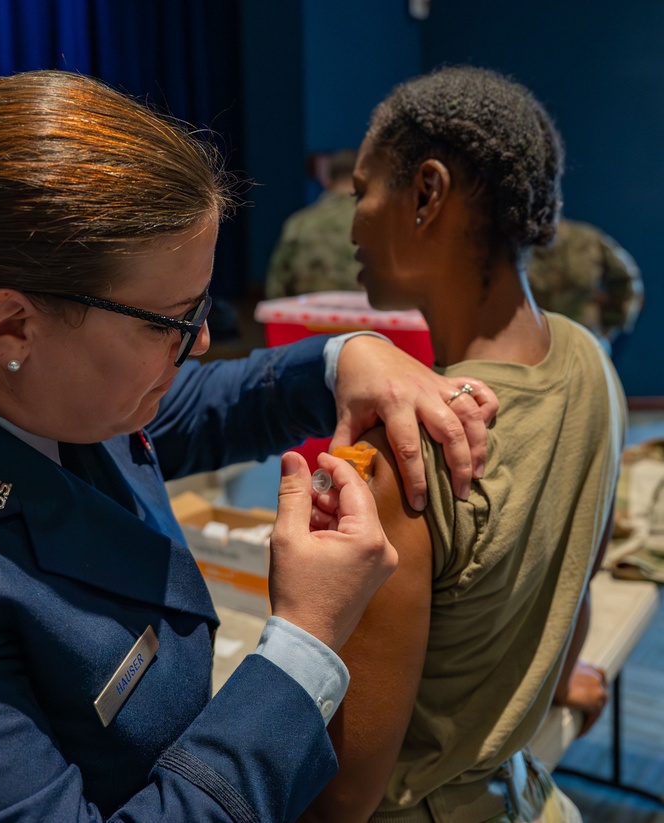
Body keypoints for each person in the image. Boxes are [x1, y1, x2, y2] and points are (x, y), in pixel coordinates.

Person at [0, 70, 498, 823]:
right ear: (12, 325)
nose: (201, 341)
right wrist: (305, 642)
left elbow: (159, 416)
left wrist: (340, 359)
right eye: (170, 321)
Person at [302, 66, 626, 823]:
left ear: (426, 193)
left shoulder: (403, 460)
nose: (352, 227)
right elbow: (564, 614)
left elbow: (345, 796)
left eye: (362, 193)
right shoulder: (590, 362)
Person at [527, 216, 643, 351]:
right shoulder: (520, 246)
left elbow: (627, 279)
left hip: (586, 340)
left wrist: (612, 324)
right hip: (537, 344)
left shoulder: (588, 239)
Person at [265, 149, 364, 298]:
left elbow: (276, 288)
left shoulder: (298, 224)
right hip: (369, 317)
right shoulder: (378, 223)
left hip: (309, 318)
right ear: (364, 179)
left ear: (327, 180)